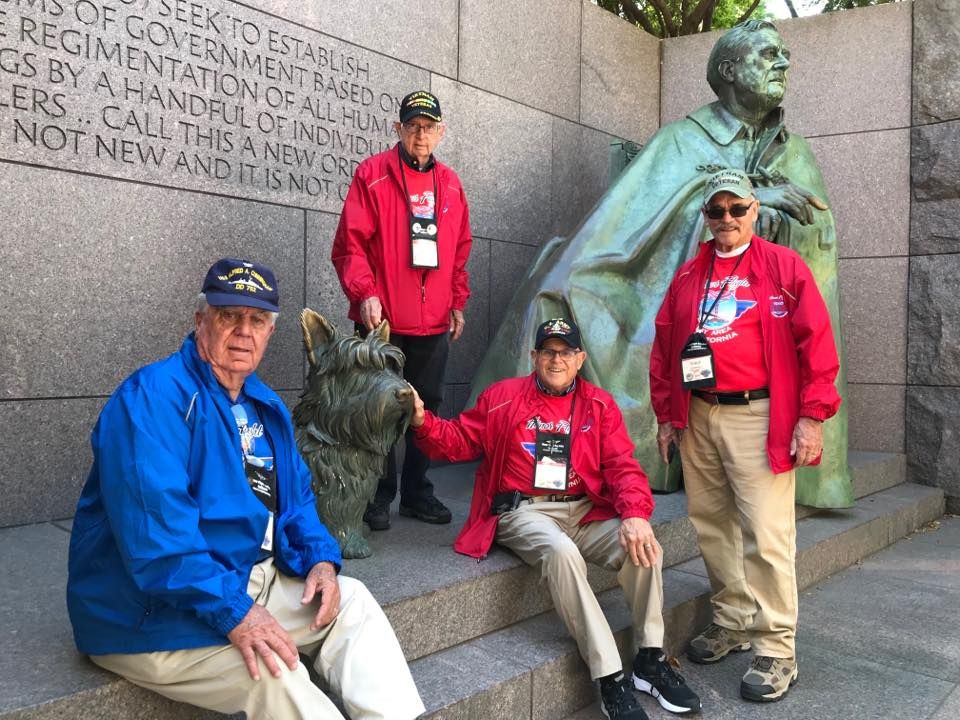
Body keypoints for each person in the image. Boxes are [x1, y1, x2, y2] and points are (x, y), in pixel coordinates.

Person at [467, 20, 851, 509]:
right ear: (729, 70)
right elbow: (623, 228)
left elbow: (819, 240)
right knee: (563, 287)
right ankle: (532, 442)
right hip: (677, 293)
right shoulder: (680, 140)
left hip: (759, 326)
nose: (783, 62)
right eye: (767, 53)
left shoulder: (794, 152)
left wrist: (766, 215)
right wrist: (745, 199)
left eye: (784, 54)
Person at [66, 258, 425, 720]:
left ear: (270, 333)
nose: (243, 331)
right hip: (150, 612)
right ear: (201, 321)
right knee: (277, 672)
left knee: (354, 603)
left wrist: (320, 560)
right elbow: (159, 545)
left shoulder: (264, 404)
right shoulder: (151, 399)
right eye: (228, 315)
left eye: (257, 320)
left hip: (242, 580)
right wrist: (236, 613)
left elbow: (297, 504)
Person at [411, 318, 701, 720]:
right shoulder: (503, 397)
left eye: (566, 352)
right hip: (525, 509)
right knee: (562, 553)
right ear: (534, 357)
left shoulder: (599, 404)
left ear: (580, 359)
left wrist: (635, 515)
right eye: (548, 351)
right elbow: (460, 440)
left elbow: (622, 467)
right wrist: (423, 422)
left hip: (584, 508)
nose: (556, 359)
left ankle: (650, 659)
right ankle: (610, 677)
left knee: (643, 548)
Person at [649, 169, 842, 703]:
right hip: (700, 414)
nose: (727, 220)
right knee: (711, 523)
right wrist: (667, 416)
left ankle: (778, 648)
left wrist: (812, 416)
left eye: (737, 209)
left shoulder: (783, 268)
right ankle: (733, 618)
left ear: (755, 211)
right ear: (706, 218)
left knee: (766, 532)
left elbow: (817, 347)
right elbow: (665, 349)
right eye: (717, 211)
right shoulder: (689, 277)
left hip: (758, 414)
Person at [332, 89, 473, 531]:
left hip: (433, 322)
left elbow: (461, 249)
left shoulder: (450, 185)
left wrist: (457, 301)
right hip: (382, 322)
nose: (420, 135)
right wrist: (364, 291)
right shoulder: (372, 175)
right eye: (412, 126)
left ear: (441, 132)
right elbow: (350, 245)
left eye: (429, 127)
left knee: (425, 406)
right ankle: (377, 495)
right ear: (398, 129)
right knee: (376, 407)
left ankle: (417, 493)